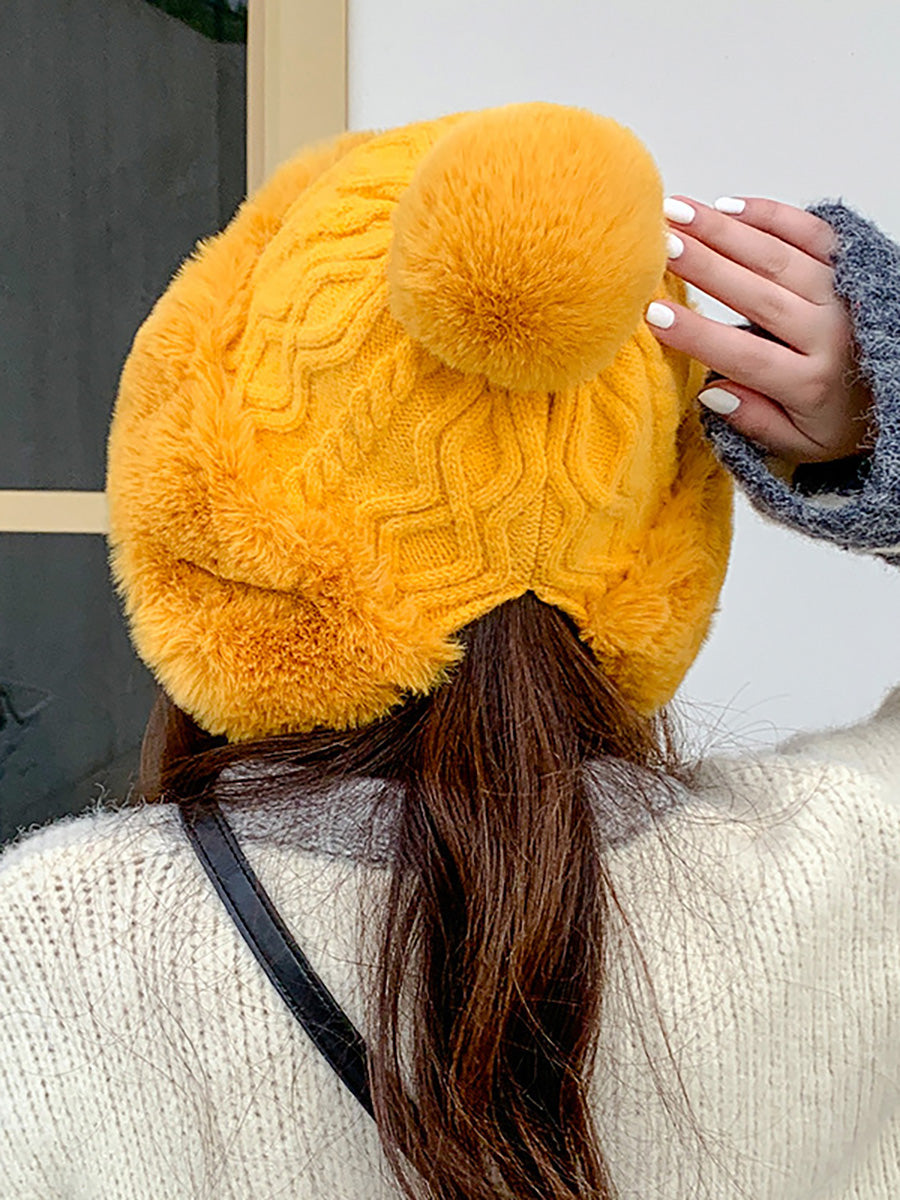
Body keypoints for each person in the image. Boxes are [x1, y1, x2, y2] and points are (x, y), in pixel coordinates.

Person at [0, 102, 897, 1200]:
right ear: (661, 527)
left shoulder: (50, 945)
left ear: (196, 486)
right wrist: (881, 412)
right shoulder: (855, 873)